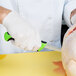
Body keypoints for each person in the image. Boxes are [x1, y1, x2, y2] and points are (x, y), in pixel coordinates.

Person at [0, 0, 76, 54]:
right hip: (11, 54)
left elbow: (69, 2)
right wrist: (7, 17)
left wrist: (74, 16)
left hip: (52, 55)